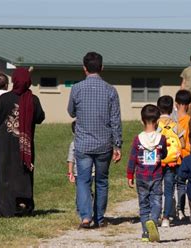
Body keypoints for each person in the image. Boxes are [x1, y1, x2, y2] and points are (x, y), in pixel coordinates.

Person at [67, 52, 122, 229]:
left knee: (83, 180)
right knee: (101, 181)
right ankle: (98, 217)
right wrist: (118, 144)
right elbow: (115, 120)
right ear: (102, 68)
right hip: (104, 143)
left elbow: (71, 112)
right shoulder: (111, 90)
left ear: (84, 69)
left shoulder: (76, 89)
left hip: (82, 143)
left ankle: (85, 216)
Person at [0, 67, 45, 217]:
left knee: (4, 175)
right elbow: (40, 118)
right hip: (25, 145)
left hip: (4, 144)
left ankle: (5, 209)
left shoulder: (4, 99)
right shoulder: (33, 100)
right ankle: (23, 206)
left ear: (14, 80)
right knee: (23, 174)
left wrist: (2, 133)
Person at [127, 104, 168, 242]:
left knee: (143, 205)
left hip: (141, 177)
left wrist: (129, 175)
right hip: (156, 176)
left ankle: (146, 232)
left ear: (142, 120)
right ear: (157, 121)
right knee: (156, 201)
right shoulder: (161, 139)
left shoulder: (138, 139)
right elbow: (164, 154)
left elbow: (132, 159)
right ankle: (154, 220)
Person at [157, 95, 185, 227]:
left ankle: (155, 215)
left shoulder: (156, 124)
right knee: (169, 191)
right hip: (172, 162)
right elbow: (183, 144)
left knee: (156, 190)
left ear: (158, 108)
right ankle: (166, 218)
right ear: (172, 108)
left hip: (157, 162)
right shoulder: (176, 125)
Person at [175, 90, 191, 220]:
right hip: (185, 156)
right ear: (189, 104)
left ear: (176, 104)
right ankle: (180, 210)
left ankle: (169, 211)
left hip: (170, 156)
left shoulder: (171, 121)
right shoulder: (190, 121)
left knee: (169, 185)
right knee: (181, 184)